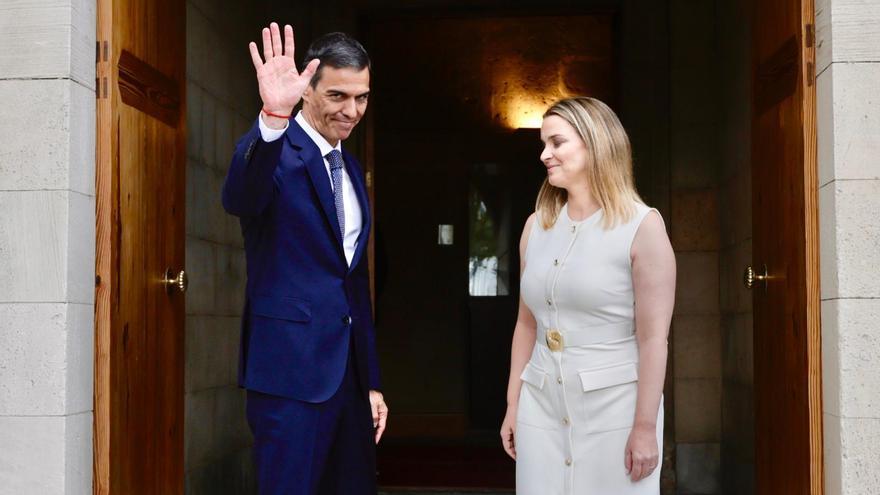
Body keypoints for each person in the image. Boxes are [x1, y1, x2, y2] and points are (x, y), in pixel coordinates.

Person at [222, 23, 388, 495]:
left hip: (349, 384)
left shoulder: (352, 168)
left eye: (362, 97)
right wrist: (274, 116)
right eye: (338, 95)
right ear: (307, 90)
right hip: (289, 376)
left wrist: (370, 382)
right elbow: (240, 196)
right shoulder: (275, 152)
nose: (352, 111)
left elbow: (353, 282)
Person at [499, 97, 675, 494]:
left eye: (557, 143)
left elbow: (653, 340)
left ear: (596, 144)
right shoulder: (536, 226)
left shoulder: (642, 226)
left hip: (615, 410)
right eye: (544, 144)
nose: (545, 155)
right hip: (540, 406)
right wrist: (514, 405)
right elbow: (526, 324)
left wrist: (646, 427)